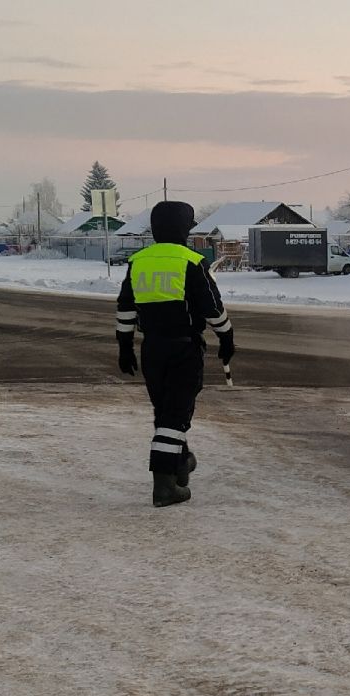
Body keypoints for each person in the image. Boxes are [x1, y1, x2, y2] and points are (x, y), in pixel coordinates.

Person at [117, 201, 234, 507]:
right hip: (184, 348)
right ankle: (165, 485)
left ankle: (180, 462)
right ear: (183, 228)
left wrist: (124, 346)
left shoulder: (138, 261)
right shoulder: (191, 261)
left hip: (152, 349)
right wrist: (227, 337)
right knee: (175, 415)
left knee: (166, 411)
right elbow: (212, 307)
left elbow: (126, 308)